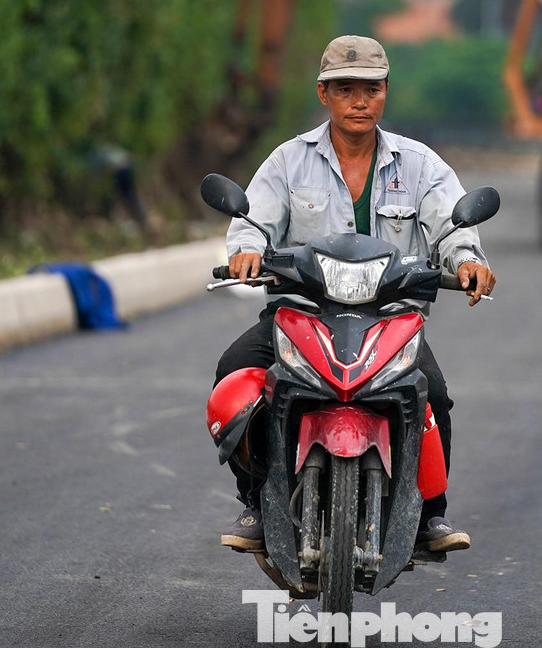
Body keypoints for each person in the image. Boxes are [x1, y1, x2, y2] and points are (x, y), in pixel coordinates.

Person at [213, 34, 497, 555]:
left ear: (386, 91)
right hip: (299, 313)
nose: (359, 101)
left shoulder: (420, 165)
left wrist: (468, 260)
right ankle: (255, 498)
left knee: (432, 394)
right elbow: (253, 218)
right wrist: (247, 251)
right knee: (234, 372)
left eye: (370, 88)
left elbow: (451, 223)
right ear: (324, 95)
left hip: (389, 319)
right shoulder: (287, 161)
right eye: (345, 89)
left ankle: (430, 515)